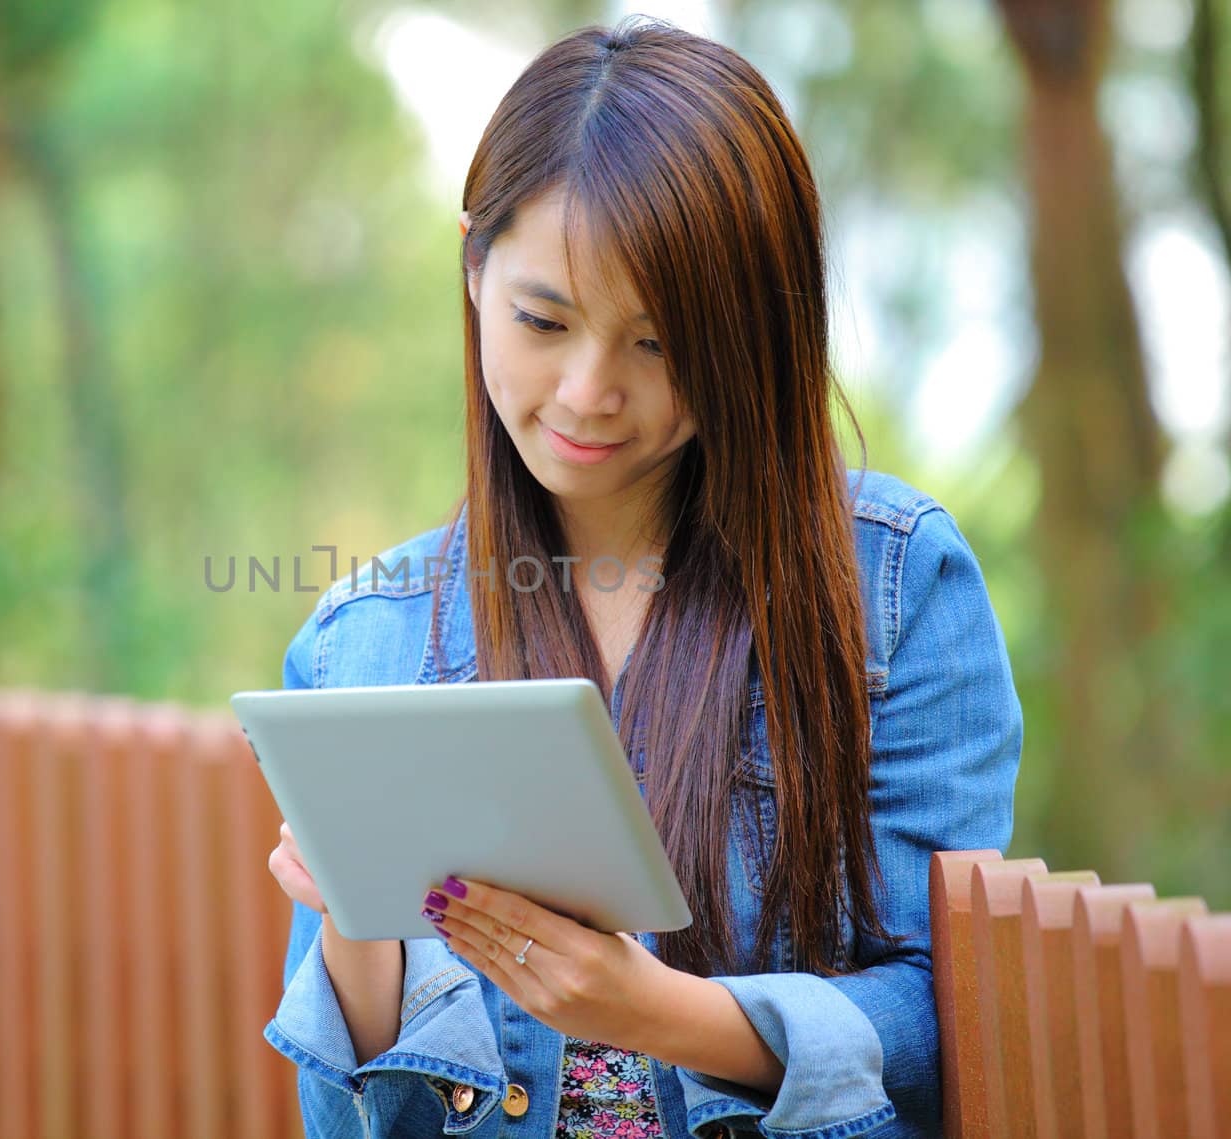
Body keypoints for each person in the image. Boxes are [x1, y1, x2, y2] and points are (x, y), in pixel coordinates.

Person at [263, 17, 1020, 1139]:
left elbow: (943, 1017)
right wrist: (357, 914)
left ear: (754, 335)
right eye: (543, 319)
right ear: (472, 269)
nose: (584, 391)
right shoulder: (363, 641)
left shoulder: (893, 586)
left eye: (656, 344)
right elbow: (344, 1121)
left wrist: (667, 1015)